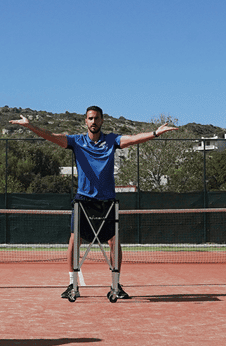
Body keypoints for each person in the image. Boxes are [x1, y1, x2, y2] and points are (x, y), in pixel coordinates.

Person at [11, 107, 175, 301]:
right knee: (75, 239)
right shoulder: (76, 142)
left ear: (102, 121)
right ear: (85, 122)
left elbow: (134, 138)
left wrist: (155, 133)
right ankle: (73, 284)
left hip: (107, 201)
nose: (93, 121)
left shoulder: (112, 140)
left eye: (96, 118)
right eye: (90, 118)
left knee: (114, 241)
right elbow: (51, 136)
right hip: (83, 200)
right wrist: (30, 126)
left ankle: (116, 285)